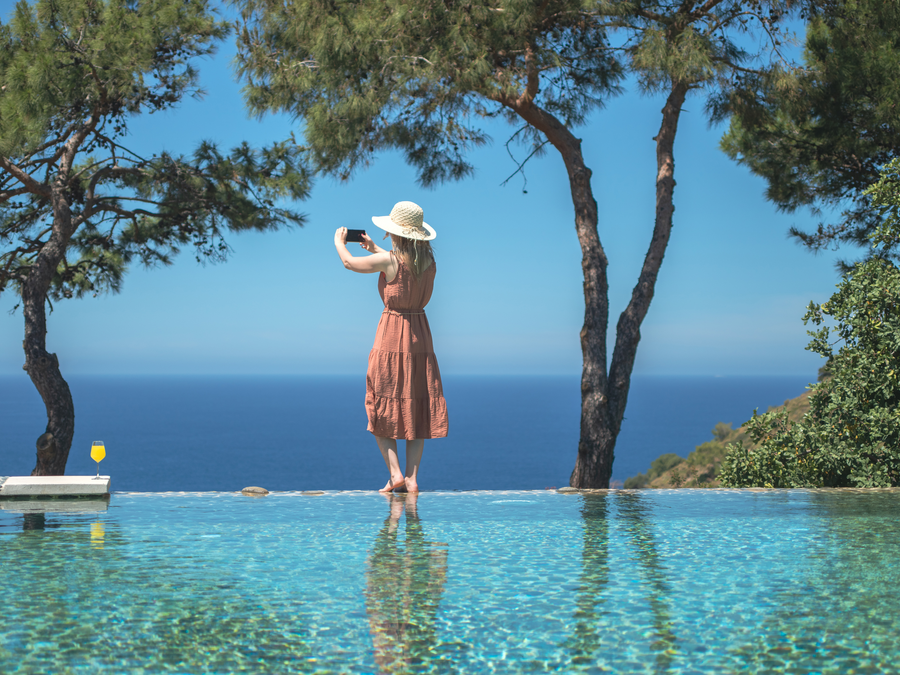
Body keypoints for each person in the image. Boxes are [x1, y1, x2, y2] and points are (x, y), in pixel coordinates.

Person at [334, 201, 449, 493]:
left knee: (380, 402)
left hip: (392, 333)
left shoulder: (389, 260)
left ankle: (395, 473)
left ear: (394, 233)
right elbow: (402, 267)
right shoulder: (429, 263)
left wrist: (339, 243)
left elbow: (349, 264)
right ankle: (411, 478)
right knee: (416, 405)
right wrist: (375, 250)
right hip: (420, 334)